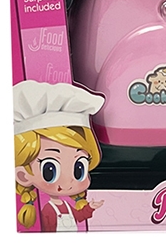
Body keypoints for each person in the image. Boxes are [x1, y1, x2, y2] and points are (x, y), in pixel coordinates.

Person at [13, 80, 104, 232]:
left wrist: (90, 208)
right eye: (50, 171)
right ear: (23, 176)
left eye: (79, 168)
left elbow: (79, 216)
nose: (68, 183)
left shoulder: (67, 205)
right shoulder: (47, 210)